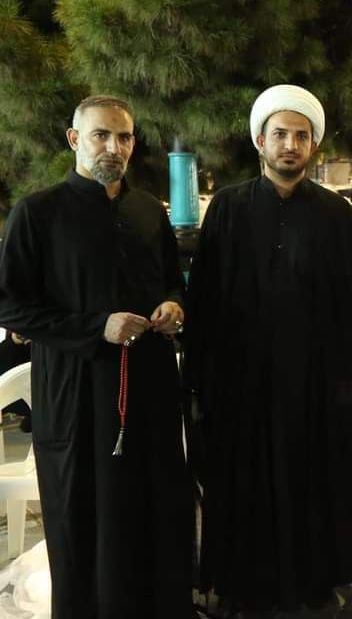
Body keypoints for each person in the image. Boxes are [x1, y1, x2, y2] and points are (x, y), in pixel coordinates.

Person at [0, 95, 192, 618]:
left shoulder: (148, 210)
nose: (113, 147)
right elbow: (11, 306)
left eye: (123, 137)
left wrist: (174, 305)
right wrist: (95, 327)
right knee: (85, 514)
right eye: (101, 135)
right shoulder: (37, 213)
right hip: (76, 393)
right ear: (74, 140)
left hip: (149, 390)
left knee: (153, 506)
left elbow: (171, 279)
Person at [185, 84, 352, 615]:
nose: (290, 144)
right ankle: (241, 588)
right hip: (240, 383)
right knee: (243, 484)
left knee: (311, 482)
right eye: (280, 134)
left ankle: (311, 583)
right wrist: (200, 380)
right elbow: (206, 297)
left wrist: (345, 380)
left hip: (312, 384)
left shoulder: (335, 213)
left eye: (301, 136)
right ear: (260, 141)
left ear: (313, 145)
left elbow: (350, 303)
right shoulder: (228, 207)